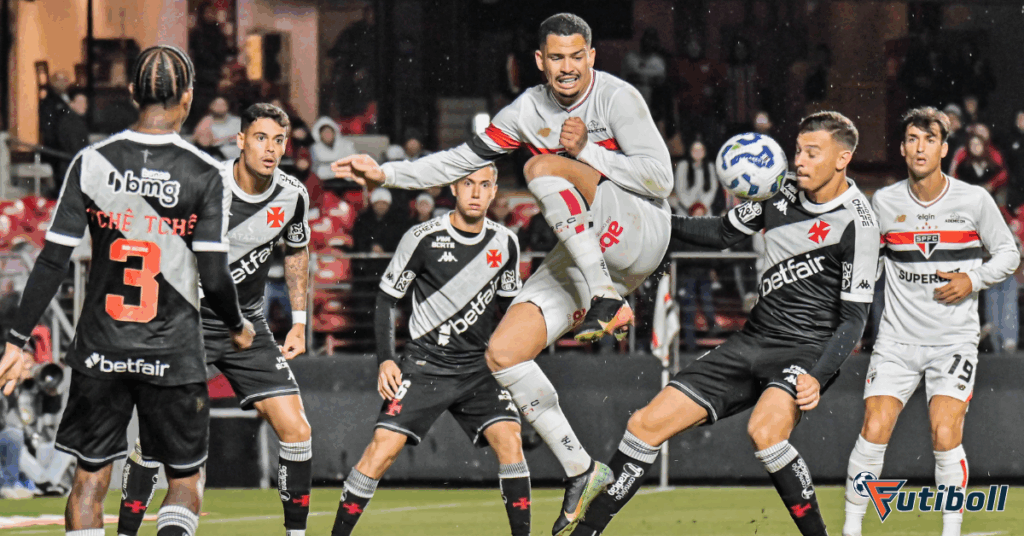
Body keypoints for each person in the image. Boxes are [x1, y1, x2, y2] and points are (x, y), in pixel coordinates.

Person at [332, 13, 673, 535]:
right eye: (555, 57)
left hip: (642, 228)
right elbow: (458, 162)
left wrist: (585, 151)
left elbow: (661, 179)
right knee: (503, 352)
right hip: (590, 249)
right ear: (539, 61)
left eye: (576, 56)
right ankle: (583, 468)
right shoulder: (525, 111)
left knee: (539, 168)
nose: (566, 68)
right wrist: (388, 173)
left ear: (591, 58)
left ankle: (606, 295)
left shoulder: (618, 97)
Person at [570, 112, 880, 536]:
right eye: (797, 151)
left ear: (843, 158)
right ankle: (585, 531)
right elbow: (719, 233)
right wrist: (653, 226)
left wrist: (817, 375)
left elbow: (855, 318)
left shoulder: (859, 223)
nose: (800, 161)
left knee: (765, 431)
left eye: (812, 152)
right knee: (644, 424)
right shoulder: (777, 192)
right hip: (752, 341)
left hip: (803, 353)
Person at [0, 45, 255, 536]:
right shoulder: (205, 174)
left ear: (133, 93)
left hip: (101, 349)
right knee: (184, 479)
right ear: (188, 96)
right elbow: (216, 276)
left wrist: (15, 340)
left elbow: (52, 260)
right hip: (173, 351)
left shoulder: (91, 162)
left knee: (90, 480)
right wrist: (238, 326)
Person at [115, 103, 313, 536]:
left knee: (297, 430)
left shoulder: (293, 194)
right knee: (156, 442)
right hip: (187, 321)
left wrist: (298, 320)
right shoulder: (205, 183)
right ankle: (127, 531)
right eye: (260, 138)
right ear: (240, 140)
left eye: (279, 140)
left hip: (249, 325)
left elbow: (296, 251)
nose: (270, 149)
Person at [842, 107, 1019, 536]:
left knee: (944, 432)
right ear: (903, 149)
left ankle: (950, 531)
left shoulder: (974, 200)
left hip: (953, 341)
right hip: (897, 342)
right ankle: (849, 530)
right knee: (874, 427)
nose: (920, 147)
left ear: (944, 148)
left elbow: (1010, 255)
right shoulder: (883, 202)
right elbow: (871, 266)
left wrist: (971, 279)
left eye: (929, 139)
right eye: (912, 139)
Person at [329, 165, 529, 536]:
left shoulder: (506, 242)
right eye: (468, 183)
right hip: (425, 365)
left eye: (484, 185)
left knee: (510, 441)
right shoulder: (422, 237)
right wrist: (386, 358)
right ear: (455, 187)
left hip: (477, 368)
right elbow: (387, 299)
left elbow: (512, 312)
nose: (475, 192)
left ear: (494, 191)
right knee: (381, 450)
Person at [54, 88, 91, 193]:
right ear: (71, 104)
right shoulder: (71, 122)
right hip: (71, 167)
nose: (84, 105)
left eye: (85, 102)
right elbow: (75, 146)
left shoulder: (74, 120)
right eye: (80, 102)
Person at [193, 96, 242, 161]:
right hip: (217, 158)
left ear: (227, 106)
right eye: (217, 104)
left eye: (223, 105)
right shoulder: (206, 122)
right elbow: (202, 142)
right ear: (211, 106)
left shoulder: (237, 121)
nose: (220, 107)